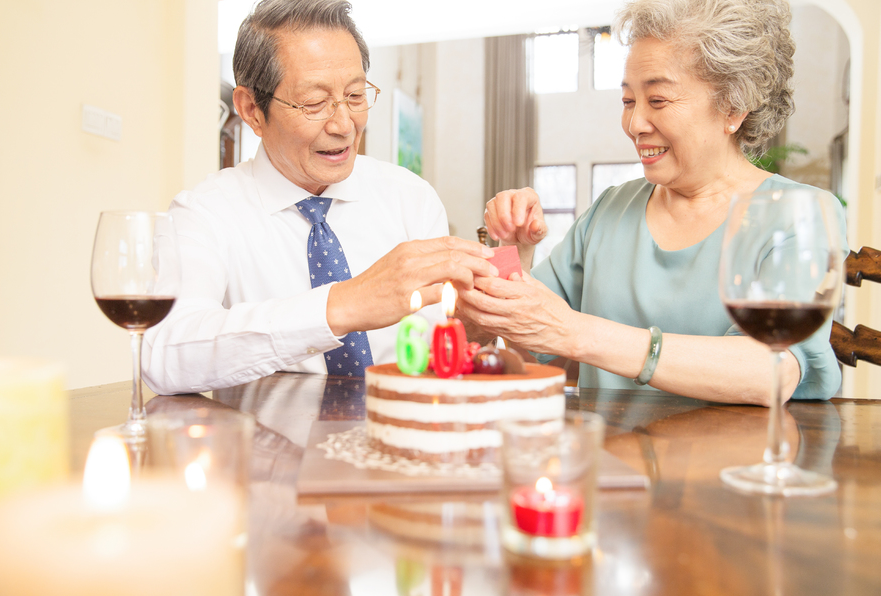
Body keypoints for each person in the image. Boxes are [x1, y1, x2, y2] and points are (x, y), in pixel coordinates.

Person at [458, 0, 848, 405]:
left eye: (657, 100)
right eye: (628, 101)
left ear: (733, 106)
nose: (634, 124)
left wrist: (577, 332)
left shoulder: (799, 215)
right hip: (606, 460)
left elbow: (771, 371)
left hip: (732, 465)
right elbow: (531, 355)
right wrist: (513, 257)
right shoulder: (609, 212)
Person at [143, 0, 497, 394]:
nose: (344, 125)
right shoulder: (204, 213)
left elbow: (447, 341)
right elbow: (163, 353)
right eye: (314, 103)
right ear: (251, 110)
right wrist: (342, 305)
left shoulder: (411, 198)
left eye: (356, 96)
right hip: (270, 449)